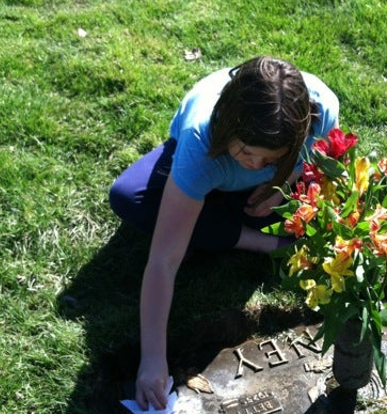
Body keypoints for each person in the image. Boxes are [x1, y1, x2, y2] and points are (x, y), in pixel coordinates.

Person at [109, 56, 339, 410]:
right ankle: (260, 243)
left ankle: (210, 227)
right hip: (208, 170)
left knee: (313, 208)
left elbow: (316, 157)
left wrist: (282, 182)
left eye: (270, 158)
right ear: (229, 128)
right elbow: (164, 261)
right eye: (247, 152)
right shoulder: (200, 141)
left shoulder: (321, 112)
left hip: (253, 197)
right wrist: (153, 359)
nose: (255, 165)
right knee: (131, 197)